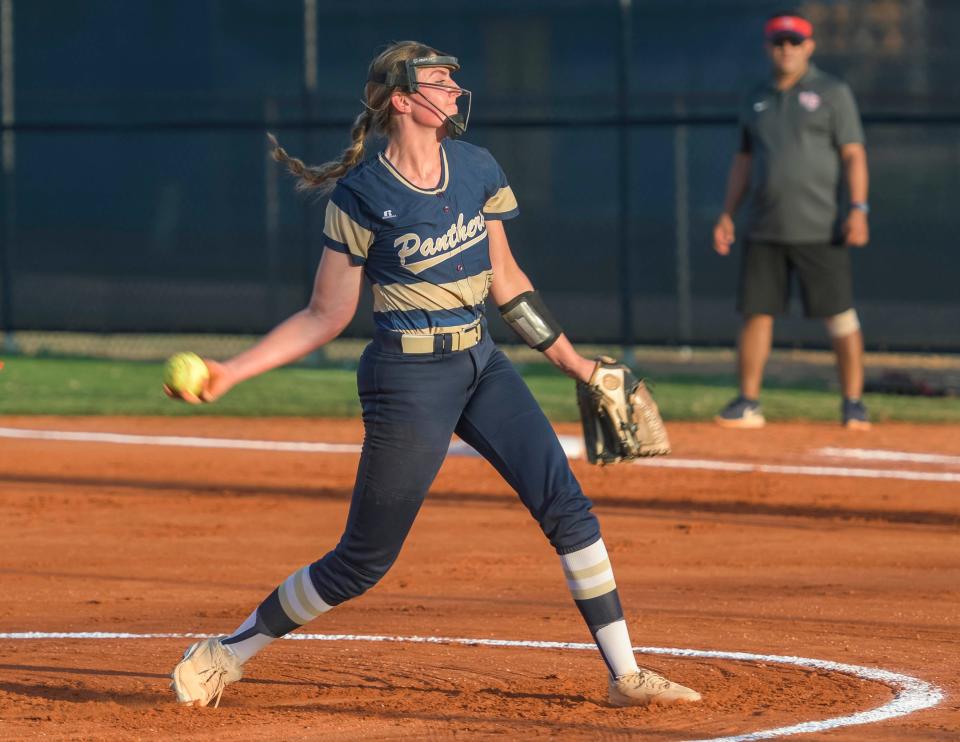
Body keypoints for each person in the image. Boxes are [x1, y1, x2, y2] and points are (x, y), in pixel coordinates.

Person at [165, 41, 700, 709]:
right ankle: (226, 653)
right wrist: (231, 371)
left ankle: (627, 676)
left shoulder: (476, 167)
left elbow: (507, 281)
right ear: (402, 100)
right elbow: (324, 316)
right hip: (407, 378)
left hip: (482, 364)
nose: (454, 91)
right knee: (363, 560)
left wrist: (577, 364)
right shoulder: (363, 196)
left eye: (452, 80)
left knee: (566, 507)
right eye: (440, 82)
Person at [712, 9, 871, 430]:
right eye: (779, 42)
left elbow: (853, 154)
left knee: (840, 316)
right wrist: (727, 213)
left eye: (795, 42)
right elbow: (743, 160)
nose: (787, 49)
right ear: (769, 47)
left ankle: (853, 403)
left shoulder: (832, 92)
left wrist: (858, 209)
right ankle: (748, 401)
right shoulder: (756, 96)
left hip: (821, 227)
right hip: (765, 225)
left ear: (809, 47)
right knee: (756, 313)